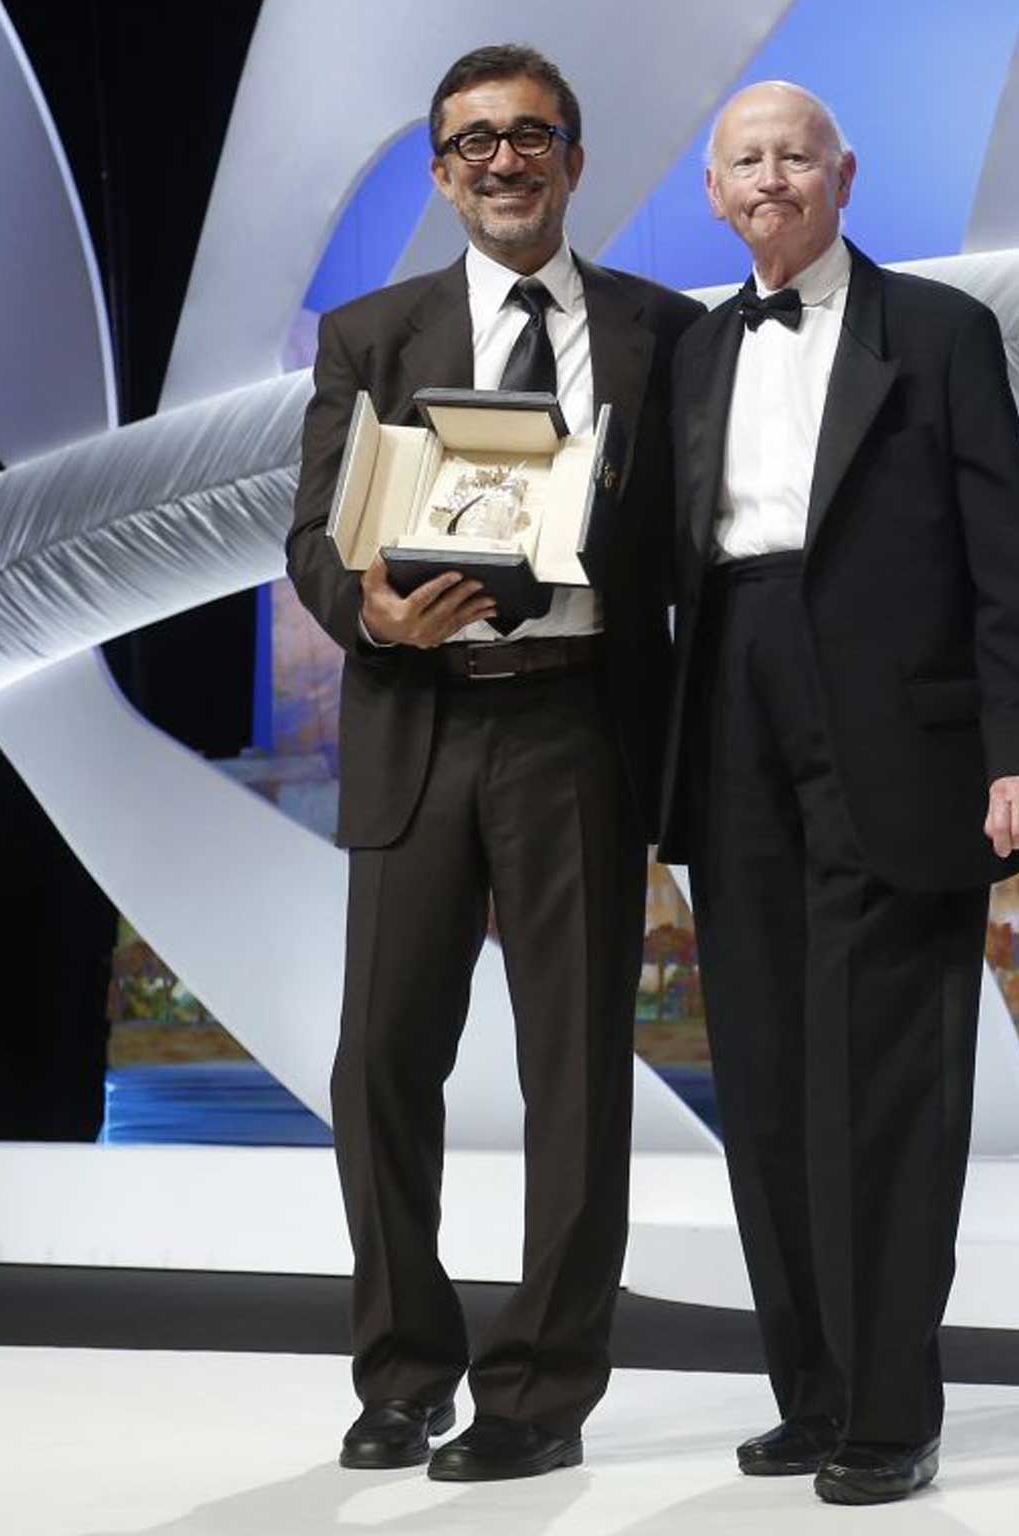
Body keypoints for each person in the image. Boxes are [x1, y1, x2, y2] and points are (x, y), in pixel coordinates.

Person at [655, 81, 1019, 1506]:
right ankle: (811, 1392)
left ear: (844, 174)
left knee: (887, 1086)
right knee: (767, 1074)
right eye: (744, 162)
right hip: (731, 712)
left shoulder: (943, 333)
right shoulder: (692, 353)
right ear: (715, 194)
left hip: (903, 739)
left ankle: (891, 1410)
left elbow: (1009, 553)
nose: (770, 179)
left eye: (793, 155)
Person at [286, 44, 702, 1482]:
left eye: (531, 137)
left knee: (573, 1080)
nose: (503, 161)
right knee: (378, 1068)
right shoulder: (372, 335)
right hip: (419, 723)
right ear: (440, 172)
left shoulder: (667, 333)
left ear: (575, 162)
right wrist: (371, 606)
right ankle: (403, 1372)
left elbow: (699, 555)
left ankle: (539, 1394)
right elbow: (313, 536)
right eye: (472, 143)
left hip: (580, 727)